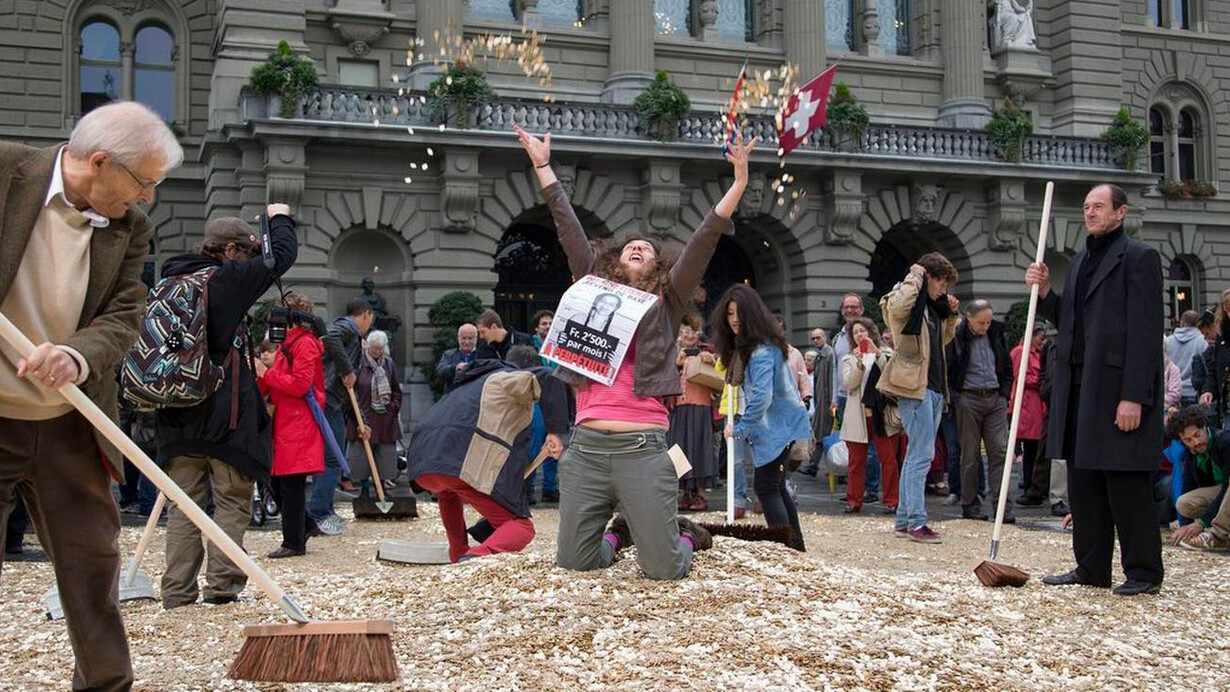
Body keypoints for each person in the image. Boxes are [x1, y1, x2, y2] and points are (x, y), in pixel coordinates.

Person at [514, 124, 754, 579]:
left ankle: (685, 536)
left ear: (658, 268)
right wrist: (543, 167)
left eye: (645, 247)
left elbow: (703, 240)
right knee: (574, 562)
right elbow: (568, 229)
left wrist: (738, 183)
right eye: (629, 247)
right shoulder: (591, 288)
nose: (637, 246)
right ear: (613, 262)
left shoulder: (665, 305)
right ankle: (616, 535)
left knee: (664, 570)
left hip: (642, 447)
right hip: (585, 448)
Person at [0, 101, 182, 690]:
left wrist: (76, 354)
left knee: (91, 564)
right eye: (145, 182)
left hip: (68, 421)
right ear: (100, 163)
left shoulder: (130, 227)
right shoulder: (6, 173)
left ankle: (106, 685)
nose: (148, 197)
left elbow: (126, 312)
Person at [156, 204, 297, 608]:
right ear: (231, 250)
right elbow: (282, 257)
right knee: (232, 501)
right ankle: (221, 588)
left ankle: (177, 592)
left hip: (173, 413)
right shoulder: (225, 280)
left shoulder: (169, 278)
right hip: (222, 414)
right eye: (247, 255)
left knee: (183, 507)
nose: (250, 264)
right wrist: (280, 216)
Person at [1028, 183, 1165, 596]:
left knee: (1124, 481)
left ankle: (1143, 571)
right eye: (1087, 207)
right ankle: (1091, 567)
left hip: (1116, 388)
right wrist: (1047, 292)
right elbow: (1070, 320)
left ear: (1121, 212)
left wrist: (1134, 396)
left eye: (1099, 206)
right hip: (1079, 386)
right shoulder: (1083, 257)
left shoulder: (1140, 258)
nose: (1090, 213)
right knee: (1083, 481)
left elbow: (1145, 332)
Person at [408, 346, 567, 562]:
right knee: (521, 527)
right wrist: (556, 432)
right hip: (457, 464)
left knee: (448, 492)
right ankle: (473, 558)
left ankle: (457, 552)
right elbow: (548, 377)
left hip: (422, 465)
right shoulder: (507, 376)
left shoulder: (467, 384)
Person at [713, 285, 811, 551]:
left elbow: (762, 397)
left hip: (779, 426)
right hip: (781, 425)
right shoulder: (753, 347)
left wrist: (741, 428)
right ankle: (794, 546)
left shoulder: (761, 350)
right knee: (775, 485)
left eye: (740, 313)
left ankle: (785, 546)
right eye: (730, 313)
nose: (734, 319)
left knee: (766, 487)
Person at [878, 253, 961, 544]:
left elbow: (943, 342)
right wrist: (914, 277)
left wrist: (949, 316)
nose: (944, 290)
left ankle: (905, 520)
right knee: (920, 456)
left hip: (934, 387)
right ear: (930, 277)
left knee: (917, 455)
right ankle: (916, 522)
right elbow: (897, 308)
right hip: (915, 388)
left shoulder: (931, 310)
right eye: (941, 283)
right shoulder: (904, 301)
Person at [256, 292, 324, 558]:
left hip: (298, 421)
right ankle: (304, 526)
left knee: (290, 483)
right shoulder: (289, 344)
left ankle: (294, 542)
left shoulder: (304, 344)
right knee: (278, 480)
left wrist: (266, 373)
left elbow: (300, 385)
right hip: (287, 420)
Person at [310, 297, 375, 534]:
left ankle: (323, 509)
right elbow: (330, 337)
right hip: (328, 399)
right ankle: (319, 513)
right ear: (365, 314)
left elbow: (350, 387)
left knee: (327, 458)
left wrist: (362, 422)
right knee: (334, 459)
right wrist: (347, 369)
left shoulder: (350, 332)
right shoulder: (347, 327)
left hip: (330, 399)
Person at [946, 300, 1015, 522]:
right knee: (970, 456)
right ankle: (970, 505)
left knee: (1000, 453)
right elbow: (948, 367)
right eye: (980, 323)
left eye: (988, 322)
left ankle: (1002, 507)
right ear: (968, 317)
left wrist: (1004, 394)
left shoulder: (996, 332)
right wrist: (957, 398)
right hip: (968, 397)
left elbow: (1006, 364)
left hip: (994, 397)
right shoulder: (956, 335)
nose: (984, 326)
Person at [838, 317, 904, 514]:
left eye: (863, 331)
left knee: (888, 459)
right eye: (856, 332)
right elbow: (849, 384)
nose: (860, 335)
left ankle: (891, 500)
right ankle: (854, 499)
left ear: (871, 333)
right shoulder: (849, 358)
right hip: (857, 416)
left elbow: (892, 377)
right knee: (856, 461)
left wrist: (876, 355)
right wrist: (859, 363)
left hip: (881, 414)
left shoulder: (886, 353)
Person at [1166, 406, 1230, 552]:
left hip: (1227, 490)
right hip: (1223, 495)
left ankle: (1218, 536)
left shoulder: (1225, 442)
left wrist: (1201, 523)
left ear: (1204, 427)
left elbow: (1227, 486)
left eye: (1197, 435)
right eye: (1188, 440)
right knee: (1183, 503)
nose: (1195, 442)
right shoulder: (1190, 454)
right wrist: (1186, 527)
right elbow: (1188, 487)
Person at [346, 330, 403, 495]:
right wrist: (358, 418)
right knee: (361, 457)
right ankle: (364, 487)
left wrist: (393, 407)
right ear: (368, 346)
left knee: (385, 456)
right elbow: (352, 392)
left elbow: (395, 389)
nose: (377, 352)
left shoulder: (389, 364)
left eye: (380, 349)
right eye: (374, 348)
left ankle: (383, 487)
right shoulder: (358, 363)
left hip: (385, 419)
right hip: (363, 416)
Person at [670, 314, 717, 511]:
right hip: (678, 406)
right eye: (685, 331)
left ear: (699, 334)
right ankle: (685, 492)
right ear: (680, 333)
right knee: (678, 449)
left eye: (693, 332)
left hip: (700, 405)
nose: (689, 335)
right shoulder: (673, 352)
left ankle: (701, 493)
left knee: (699, 448)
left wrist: (712, 360)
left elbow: (719, 373)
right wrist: (675, 364)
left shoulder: (707, 352)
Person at [1013, 325, 1049, 507]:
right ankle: (1029, 484)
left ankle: (1034, 484)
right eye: (1040, 338)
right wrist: (1041, 381)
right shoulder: (1022, 352)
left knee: (1035, 448)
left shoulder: (1037, 353)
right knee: (1030, 448)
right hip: (1028, 403)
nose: (1042, 342)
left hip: (1036, 403)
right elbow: (1020, 377)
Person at [1166, 310, 1206, 406]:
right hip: (1194, 391)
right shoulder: (1203, 341)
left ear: (1181, 322)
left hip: (1172, 392)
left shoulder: (1168, 341)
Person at [436, 322, 478, 393]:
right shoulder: (448, 355)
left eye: (470, 338)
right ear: (458, 338)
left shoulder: (481, 355)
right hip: (453, 398)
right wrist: (455, 368)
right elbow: (440, 372)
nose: (467, 341)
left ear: (476, 339)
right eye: (464, 338)